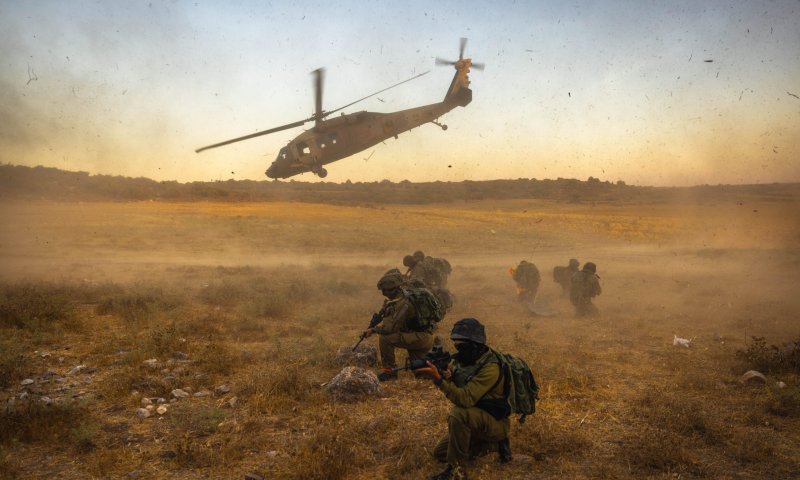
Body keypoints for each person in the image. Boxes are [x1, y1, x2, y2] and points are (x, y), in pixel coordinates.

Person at [416, 318, 512, 480]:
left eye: (462, 346)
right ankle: (494, 445)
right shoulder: (467, 360)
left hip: (494, 422)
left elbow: (465, 399)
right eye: (456, 345)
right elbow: (461, 378)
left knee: (458, 414)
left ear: (475, 344)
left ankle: (456, 471)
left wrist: (439, 380)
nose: (458, 350)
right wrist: (448, 376)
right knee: (440, 453)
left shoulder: (491, 368)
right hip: (476, 418)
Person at [362, 270, 435, 381]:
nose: (383, 294)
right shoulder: (403, 297)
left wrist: (373, 330)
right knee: (421, 373)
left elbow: (390, 328)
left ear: (392, 290)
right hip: (421, 336)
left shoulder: (403, 303)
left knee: (385, 339)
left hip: (419, 337)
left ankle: (389, 372)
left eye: (384, 291)